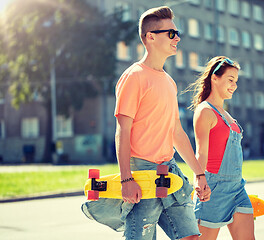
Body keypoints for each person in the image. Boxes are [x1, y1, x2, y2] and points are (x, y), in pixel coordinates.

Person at [82, 6, 210, 240]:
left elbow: (176, 132)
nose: (177, 38)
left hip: (169, 173)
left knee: (191, 237)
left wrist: (199, 174)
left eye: (177, 32)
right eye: (171, 33)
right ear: (150, 37)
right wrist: (126, 178)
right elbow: (122, 130)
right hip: (142, 178)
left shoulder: (169, 82)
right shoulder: (134, 77)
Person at [189, 56, 255, 240]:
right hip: (213, 188)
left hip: (237, 187)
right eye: (230, 80)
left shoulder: (227, 115)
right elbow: (201, 152)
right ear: (214, 78)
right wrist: (199, 180)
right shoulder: (205, 111)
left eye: (236, 81)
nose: (234, 85)